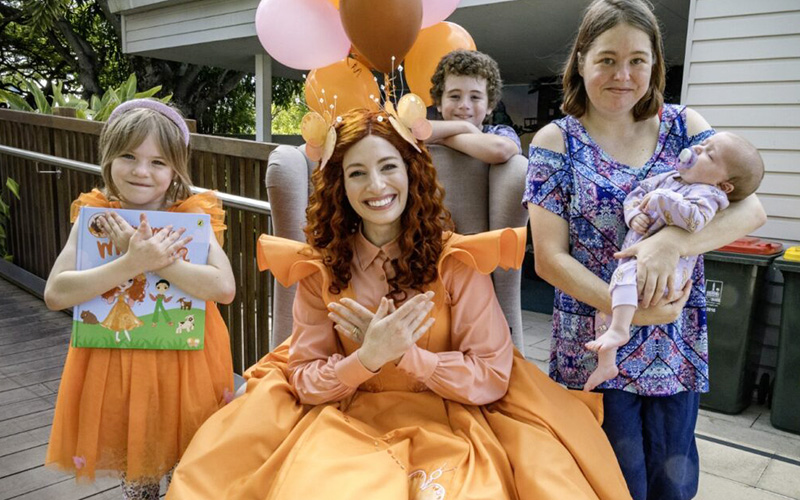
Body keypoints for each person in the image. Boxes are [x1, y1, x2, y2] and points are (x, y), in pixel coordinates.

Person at [165, 107, 631, 499]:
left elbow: (491, 373)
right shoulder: (321, 268)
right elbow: (304, 377)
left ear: (411, 171)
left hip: (453, 415)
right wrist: (366, 359)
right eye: (357, 173)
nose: (376, 185)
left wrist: (411, 357)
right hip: (340, 414)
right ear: (339, 186)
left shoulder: (456, 261)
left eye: (388, 166)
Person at [522, 0, 767, 498]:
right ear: (582, 60)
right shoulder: (555, 141)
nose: (623, 74)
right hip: (595, 343)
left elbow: (750, 210)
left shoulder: (685, 127)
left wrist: (671, 243)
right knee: (610, 481)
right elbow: (549, 259)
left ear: (655, 63)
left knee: (673, 482)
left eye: (638, 59)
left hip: (674, 345)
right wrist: (628, 312)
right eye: (607, 59)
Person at [43, 99, 236, 499]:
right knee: (139, 468)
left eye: (158, 162)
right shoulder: (95, 218)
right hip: (119, 363)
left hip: (188, 365)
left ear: (175, 169)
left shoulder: (192, 218)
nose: (141, 171)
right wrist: (131, 262)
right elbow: (56, 294)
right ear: (109, 158)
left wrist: (160, 264)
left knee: (189, 468)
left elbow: (224, 288)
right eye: (128, 156)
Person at [584, 132, 765, 391]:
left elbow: (694, 220)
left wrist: (664, 199)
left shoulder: (709, 195)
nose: (697, 150)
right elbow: (637, 194)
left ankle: (620, 331)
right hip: (633, 264)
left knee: (622, 292)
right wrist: (633, 214)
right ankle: (607, 363)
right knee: (606, 309)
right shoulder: (668, 178)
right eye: (702, 145)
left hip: (666, 272)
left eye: (708, 154)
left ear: (724, 185)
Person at [427, 49, 521, 164]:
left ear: (489, 105)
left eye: (475, 97)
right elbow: (413, 132)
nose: (464, 105)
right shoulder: (432, 130)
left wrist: (445, 138)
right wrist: (465, 127)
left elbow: (500, 150)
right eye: (455, 96)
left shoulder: (499, 133)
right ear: (439, 102)